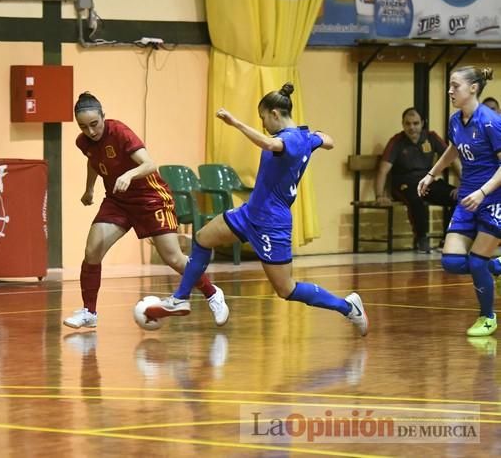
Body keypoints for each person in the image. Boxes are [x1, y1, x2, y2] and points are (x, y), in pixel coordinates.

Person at [146, 83, 368, 336]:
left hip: (271, 223)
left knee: (286, 289)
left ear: (275, 114)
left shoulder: (290, 139)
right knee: (203, 239)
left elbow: (269, 144)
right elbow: (329, 141)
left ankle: (348, 307)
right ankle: (181, 297)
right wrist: (316, 138)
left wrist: (236, 123)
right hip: (250, 213)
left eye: (263, 117)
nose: (263, 124)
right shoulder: (305, 137)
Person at [63, 92, 228, 329]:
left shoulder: (120, 132)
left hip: (151, 199)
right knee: (92, 251)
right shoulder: (84, 142)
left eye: (94, 124)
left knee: (172, 257)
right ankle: (89, 312)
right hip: (118, 201)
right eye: (83, 127)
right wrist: (89, 189)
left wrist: (129, 175)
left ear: (103, 117)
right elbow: (93, 160)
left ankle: (213, 294)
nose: (90, 131)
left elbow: (150, 164)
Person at [418, 66, 501, 337]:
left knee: (477, 262)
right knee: (452, 262)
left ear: (473, 88)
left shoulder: (490, 121)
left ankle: (487, 317)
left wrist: (483, 192)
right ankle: (498, 266)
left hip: (492, 198)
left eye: (456, 86)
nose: (450, 90)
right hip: (467, 198)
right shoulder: (456, 120)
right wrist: (431, 174)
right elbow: (454, 149)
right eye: (450, 86)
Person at [374, 107, 458, 253]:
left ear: (422, 123)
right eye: (407, 124)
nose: (411, 127)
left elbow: (451, 157)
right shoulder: (396, 141)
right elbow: (383, 170)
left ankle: (448, 239)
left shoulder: (431, 137)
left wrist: (465, 184)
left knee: (458, 197)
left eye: (415, 123)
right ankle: (422, 239)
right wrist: (380, 195)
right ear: (403, 124)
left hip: (427, 181)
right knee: (416, 197)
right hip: (404, 184)